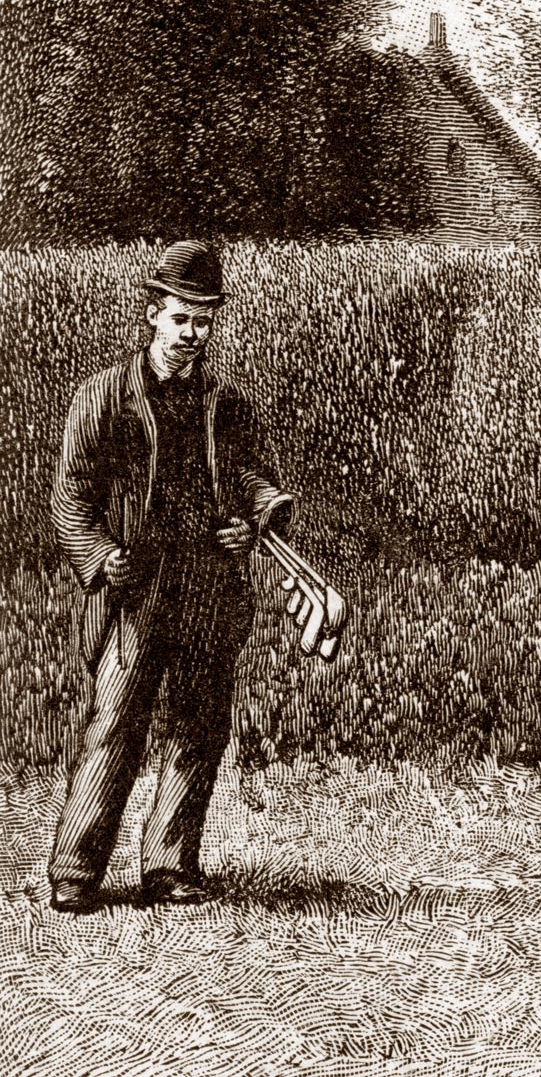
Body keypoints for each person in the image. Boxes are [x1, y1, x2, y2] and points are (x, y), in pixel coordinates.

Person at [48, 240, 294, 914]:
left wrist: (253, 523)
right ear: (153, 314)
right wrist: (99, 556)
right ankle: (75, 870)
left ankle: (169, 867)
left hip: (209, 586)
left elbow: (250, 478)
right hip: (136, 591)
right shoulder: (102, 397)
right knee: (116, 724)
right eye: (182, 318)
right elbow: (70, 497)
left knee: (198, 726)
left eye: (205, 322)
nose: (193, 334)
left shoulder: (227, 404)